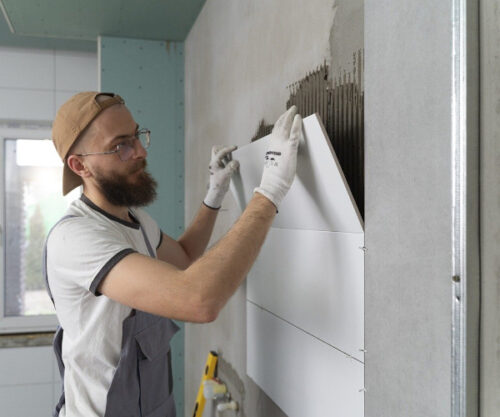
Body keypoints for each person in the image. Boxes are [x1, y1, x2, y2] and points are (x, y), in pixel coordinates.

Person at [45, 91, 302, 417]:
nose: (140, 151)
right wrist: (269, 193)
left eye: (137, 136)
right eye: (121, 145)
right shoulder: (75, 238)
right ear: (80, 165)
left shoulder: (134, 221)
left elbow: (184, 257)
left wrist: (214, 194)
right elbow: (197, 300)